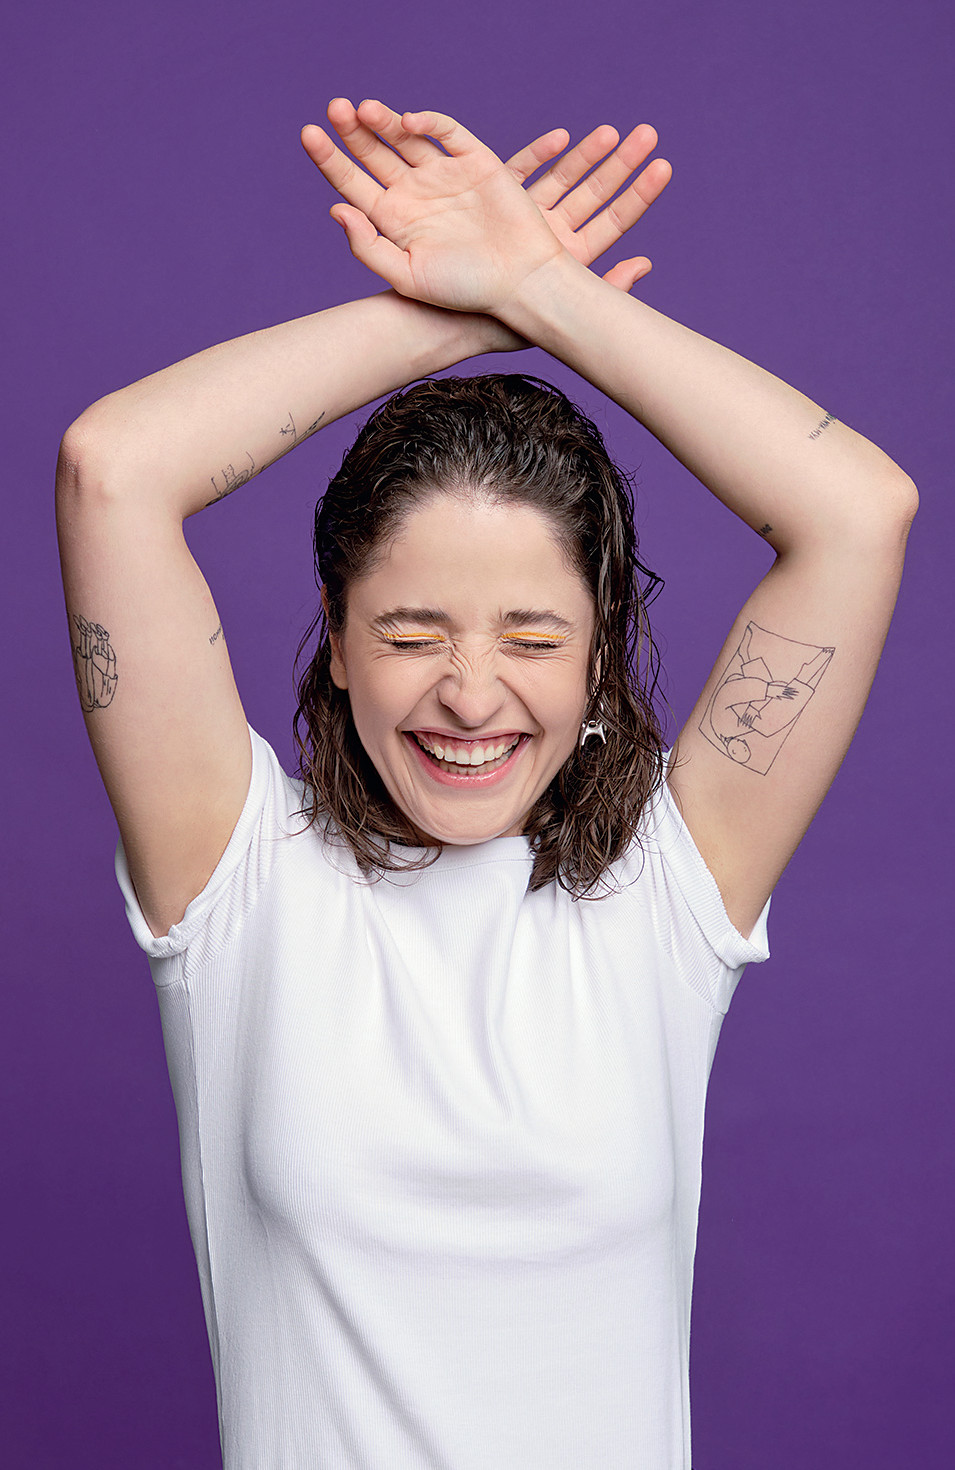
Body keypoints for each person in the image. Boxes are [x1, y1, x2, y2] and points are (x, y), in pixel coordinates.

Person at [55, 97, 917, 1470]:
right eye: (412, 634)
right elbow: (112, 471)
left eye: (532, 638)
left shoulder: (669, 890)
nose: (471, 693)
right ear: (338, 641)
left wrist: (543, 290)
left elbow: (860, 514)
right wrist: (462, 311)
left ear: (600, 654)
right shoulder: (236, 879)